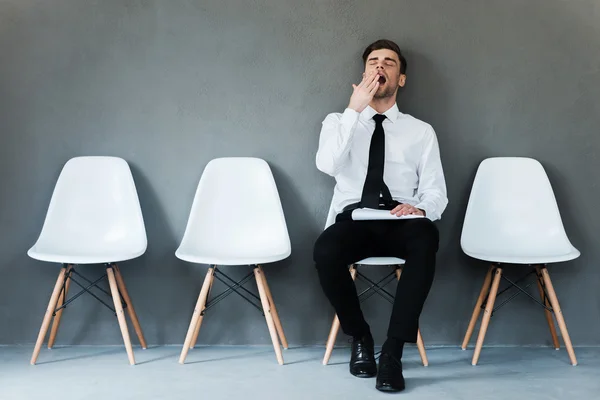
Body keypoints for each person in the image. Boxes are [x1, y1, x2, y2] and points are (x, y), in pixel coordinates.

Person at [313, 39, 447, 393]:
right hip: (355, 222)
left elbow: (437, 191)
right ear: (363, 74)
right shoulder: (338, 122)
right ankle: (360, 337)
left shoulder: (420, 131)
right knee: (325, 250)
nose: (380, 67)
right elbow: (327, 165)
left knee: (427, 237)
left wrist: (420, 208)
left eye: (389, 62)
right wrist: (353, 111)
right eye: (373, 61)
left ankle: (393, 351)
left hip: (402, 222)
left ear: (400, 78)